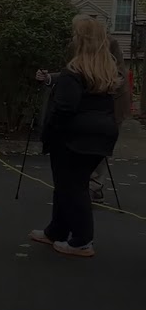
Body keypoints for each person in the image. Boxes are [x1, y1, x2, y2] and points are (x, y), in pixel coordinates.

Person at [30, 17, 119, 257]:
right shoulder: (104, 70)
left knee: (73, 188)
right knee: (67, 186)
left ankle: (82, 240)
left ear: (80, 40)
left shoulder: (74, 71)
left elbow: (65, 108)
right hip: (102, 135)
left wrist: (51, 132)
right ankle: (56, 231)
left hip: (73, 137)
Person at [36, 13, 130, 204]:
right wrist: (49, 78)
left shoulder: (110, 44)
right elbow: (72, 72)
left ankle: (94, 187)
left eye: (76, 31)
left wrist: (97, 82)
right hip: (85, 106)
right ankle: (81, 189)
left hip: (110, 103)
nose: (74, 35)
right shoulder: (74, 45)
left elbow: (117, 73)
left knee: (97, 146)